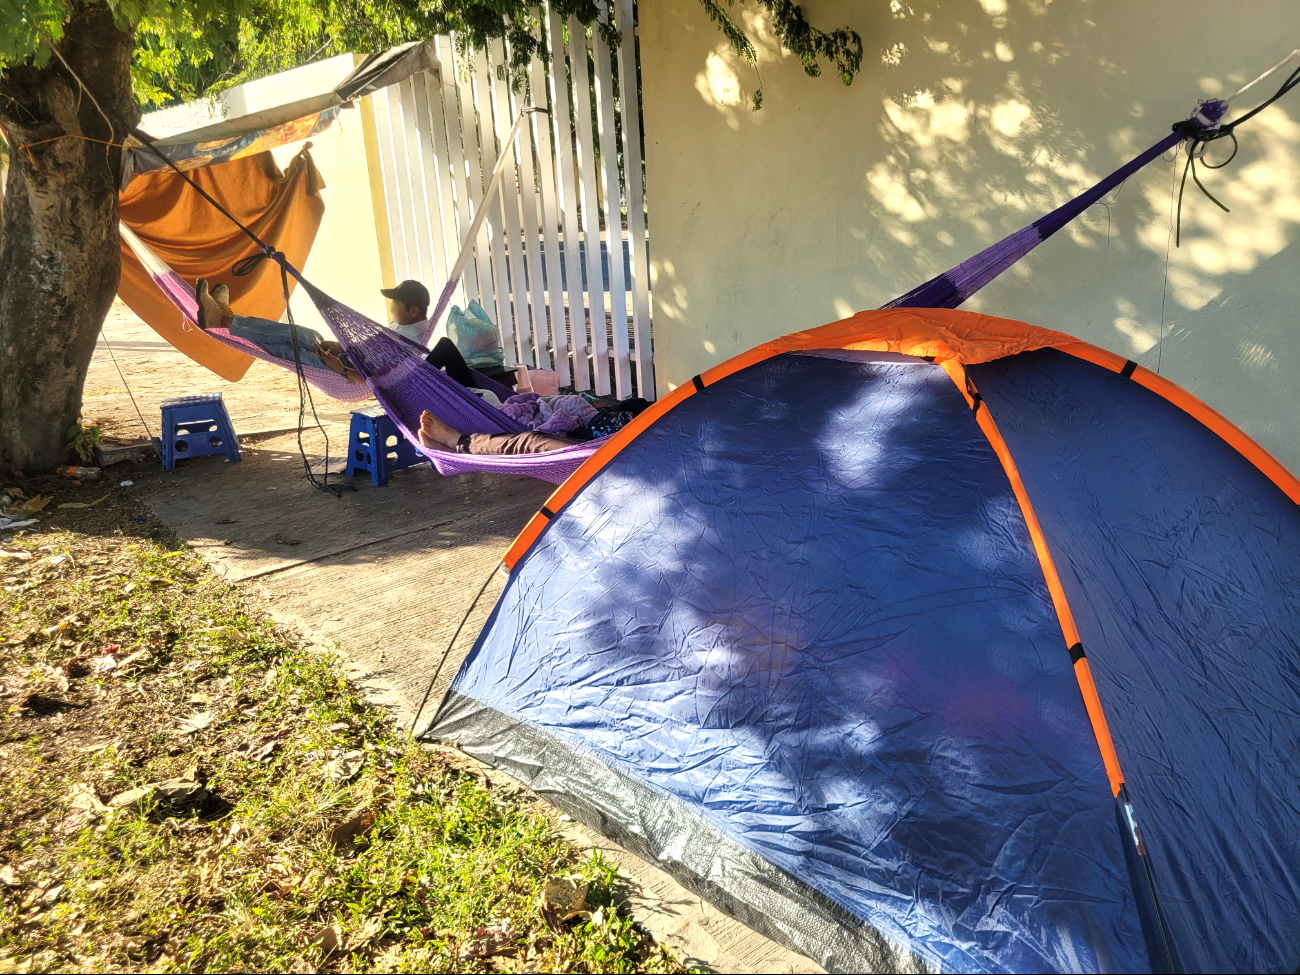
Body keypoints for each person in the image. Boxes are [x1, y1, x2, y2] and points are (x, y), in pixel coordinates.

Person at [194, 280, 364, 383]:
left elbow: (383, 384)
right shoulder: (391, 332)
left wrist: (343, 370)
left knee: (285, 351)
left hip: (345, 374)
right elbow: (371, 349)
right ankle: (224, 319)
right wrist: (342, 348)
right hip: (341, 358)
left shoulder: (392, 345)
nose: (392, 307)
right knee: (309, 336)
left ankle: (223, 320)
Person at [417, 410, 577, 456]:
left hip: (597, 461)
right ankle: (458, 447)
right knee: (536, 439)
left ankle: (458, 443)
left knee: (533, 441)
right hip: (599, 450)